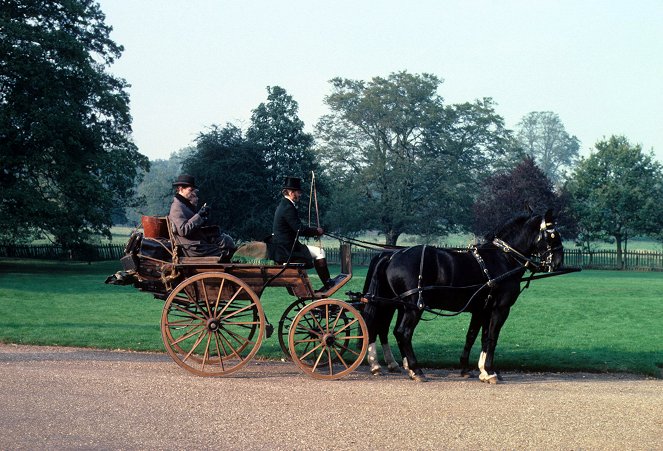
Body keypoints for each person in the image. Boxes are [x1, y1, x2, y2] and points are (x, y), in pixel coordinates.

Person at [270, 176, 333, 290]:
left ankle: (327, 283)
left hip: (285, 247)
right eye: (298, 192)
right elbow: (299, 229)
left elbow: (297, 228)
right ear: (291, 192)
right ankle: (328, 283)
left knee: (318, 251)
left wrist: (314, 231)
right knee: (320, 252)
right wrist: (316, 231)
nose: (300, 195)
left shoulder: (284, 205)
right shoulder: (288, 207)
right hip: (288, 250)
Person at [168, 174, 235, 260]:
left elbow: (192, 225)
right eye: (190, 190)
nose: (193, 193)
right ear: (180, 189)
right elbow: (183, 230)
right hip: (194, 248)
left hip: (199, 244)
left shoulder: (185, 205)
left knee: (226, 241)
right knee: (227, 252)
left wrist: (203, 216)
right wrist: (199, 215)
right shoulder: (177, 207)